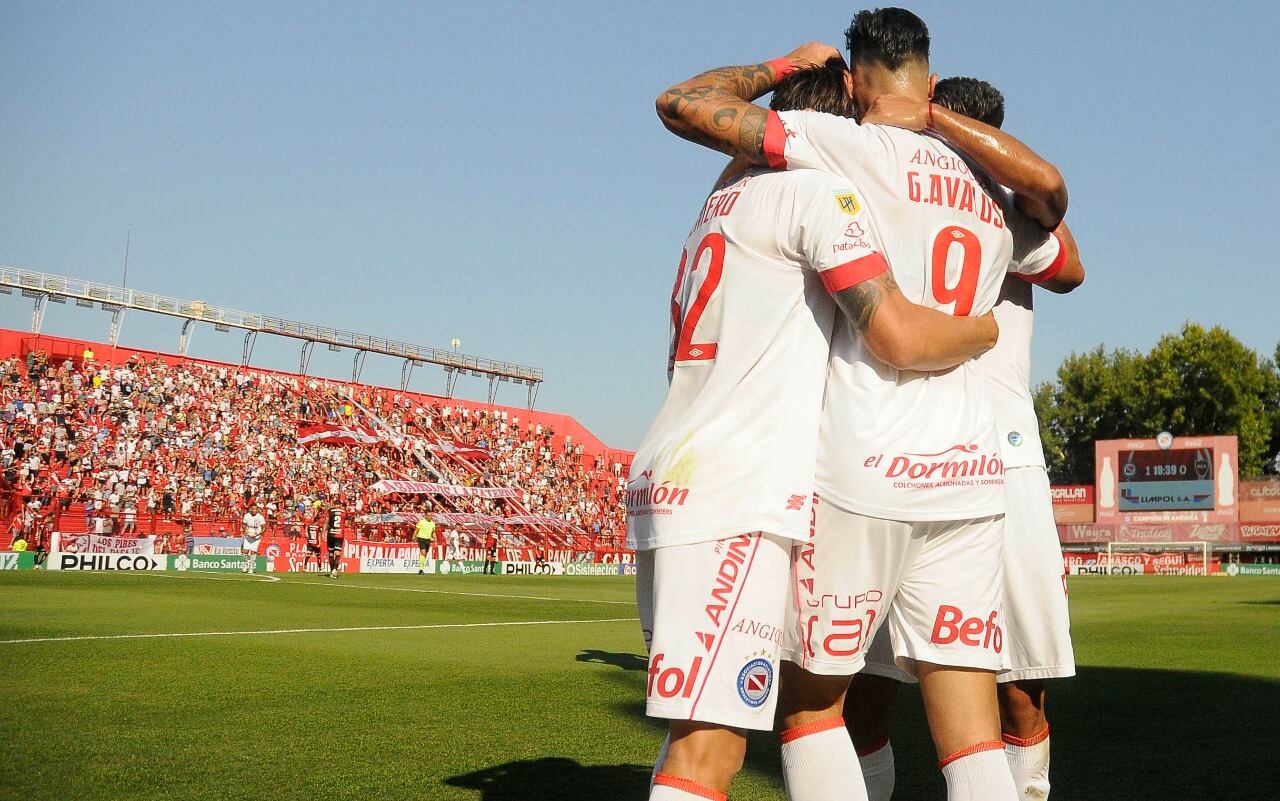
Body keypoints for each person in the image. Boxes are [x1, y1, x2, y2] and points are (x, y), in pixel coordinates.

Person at [654, 10, 1069, 801]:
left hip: (863, 463)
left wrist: (784, 72)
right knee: (972, 733)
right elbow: (1056, 212)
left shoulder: (841, 146)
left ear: (853, 81)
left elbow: (684, 105)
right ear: (932, 76)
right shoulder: (989, 183)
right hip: (971, 474)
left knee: (814, 709)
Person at [843, 76, 1084, 801]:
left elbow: (1070, 263)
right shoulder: (903, 198)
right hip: (910, 443)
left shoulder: (1007, 211)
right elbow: (1071, 261)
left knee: (1016, 688)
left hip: (997, 452)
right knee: (868, 689)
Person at [241, 502, 266, 574]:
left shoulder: (260, 517)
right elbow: (243, 524)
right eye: (253, 509)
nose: (255, 510)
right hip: (248, 535)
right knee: (245, 551)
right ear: (250, 509)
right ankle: (245, 565)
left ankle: (251, 567)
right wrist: (245, 530)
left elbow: (264, 527)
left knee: (253, 551)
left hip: (256, 536)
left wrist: (258, 533)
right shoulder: (246, 516)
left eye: (256, 509)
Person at [325, 503, 345, 578]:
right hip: (339, 534)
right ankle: (334, 570)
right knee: (337, 553)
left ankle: (332, 571)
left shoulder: (330, 511)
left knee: (330, 553)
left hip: (331, 534)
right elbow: (347, 523)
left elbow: (326, 522)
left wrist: (323, 532)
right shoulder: (343, 512)